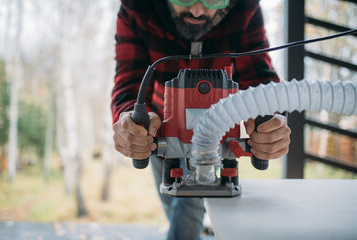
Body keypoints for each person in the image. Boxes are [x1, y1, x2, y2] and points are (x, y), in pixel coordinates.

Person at [112, 0, 291, 239]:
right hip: (156, 127)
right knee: (173, 200)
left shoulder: (245, 7)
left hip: (216, 130)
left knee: (187, 207)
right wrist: (130, 121)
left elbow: (259, 78)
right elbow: (128, 80)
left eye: (213, 0)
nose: (197, 11)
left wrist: (270, 123)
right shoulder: (137, 7)